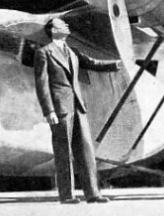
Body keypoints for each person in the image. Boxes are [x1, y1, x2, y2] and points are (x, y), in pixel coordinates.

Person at [34, 17, 120, 204]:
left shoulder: (72, 52)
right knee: (63, 152)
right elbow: (42, 85)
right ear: (53, 30)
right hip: (60, 108)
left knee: (86, 150)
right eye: (61, 24)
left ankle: (93, 193)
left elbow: (93, 63)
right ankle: (66, 195)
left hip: (78, 105)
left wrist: (115, 64)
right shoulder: (43, 53)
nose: (66, 26)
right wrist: (49, 111)